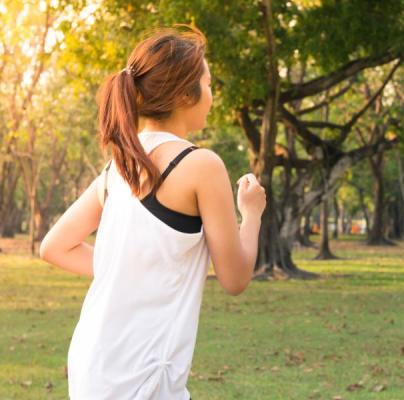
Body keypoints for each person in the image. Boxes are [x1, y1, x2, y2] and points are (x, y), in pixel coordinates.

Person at [39, 24, 266, 399]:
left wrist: (128, 268)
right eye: (208, 85)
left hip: (92, 362)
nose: (211, 96)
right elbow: (235, 277)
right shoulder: (201, 166)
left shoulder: (118, 167)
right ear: (183, 94)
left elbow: (54, 247)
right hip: (142, 372)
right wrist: (252, 213)